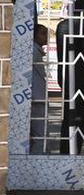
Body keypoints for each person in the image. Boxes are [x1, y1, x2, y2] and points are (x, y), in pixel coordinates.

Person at [57, 0, 84, 154]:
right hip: (81, 80)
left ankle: (64, 151)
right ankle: (74, 152)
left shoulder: (61, 26)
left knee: (68, 117)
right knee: (80, 119)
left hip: (65, 76)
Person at [30, 25, 48, 154]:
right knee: (40, 135)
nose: (46, 37)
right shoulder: (33, 51)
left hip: (37, 97)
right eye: (42, 33)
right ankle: (37, 159)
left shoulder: (37, 51)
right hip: (36, 98)